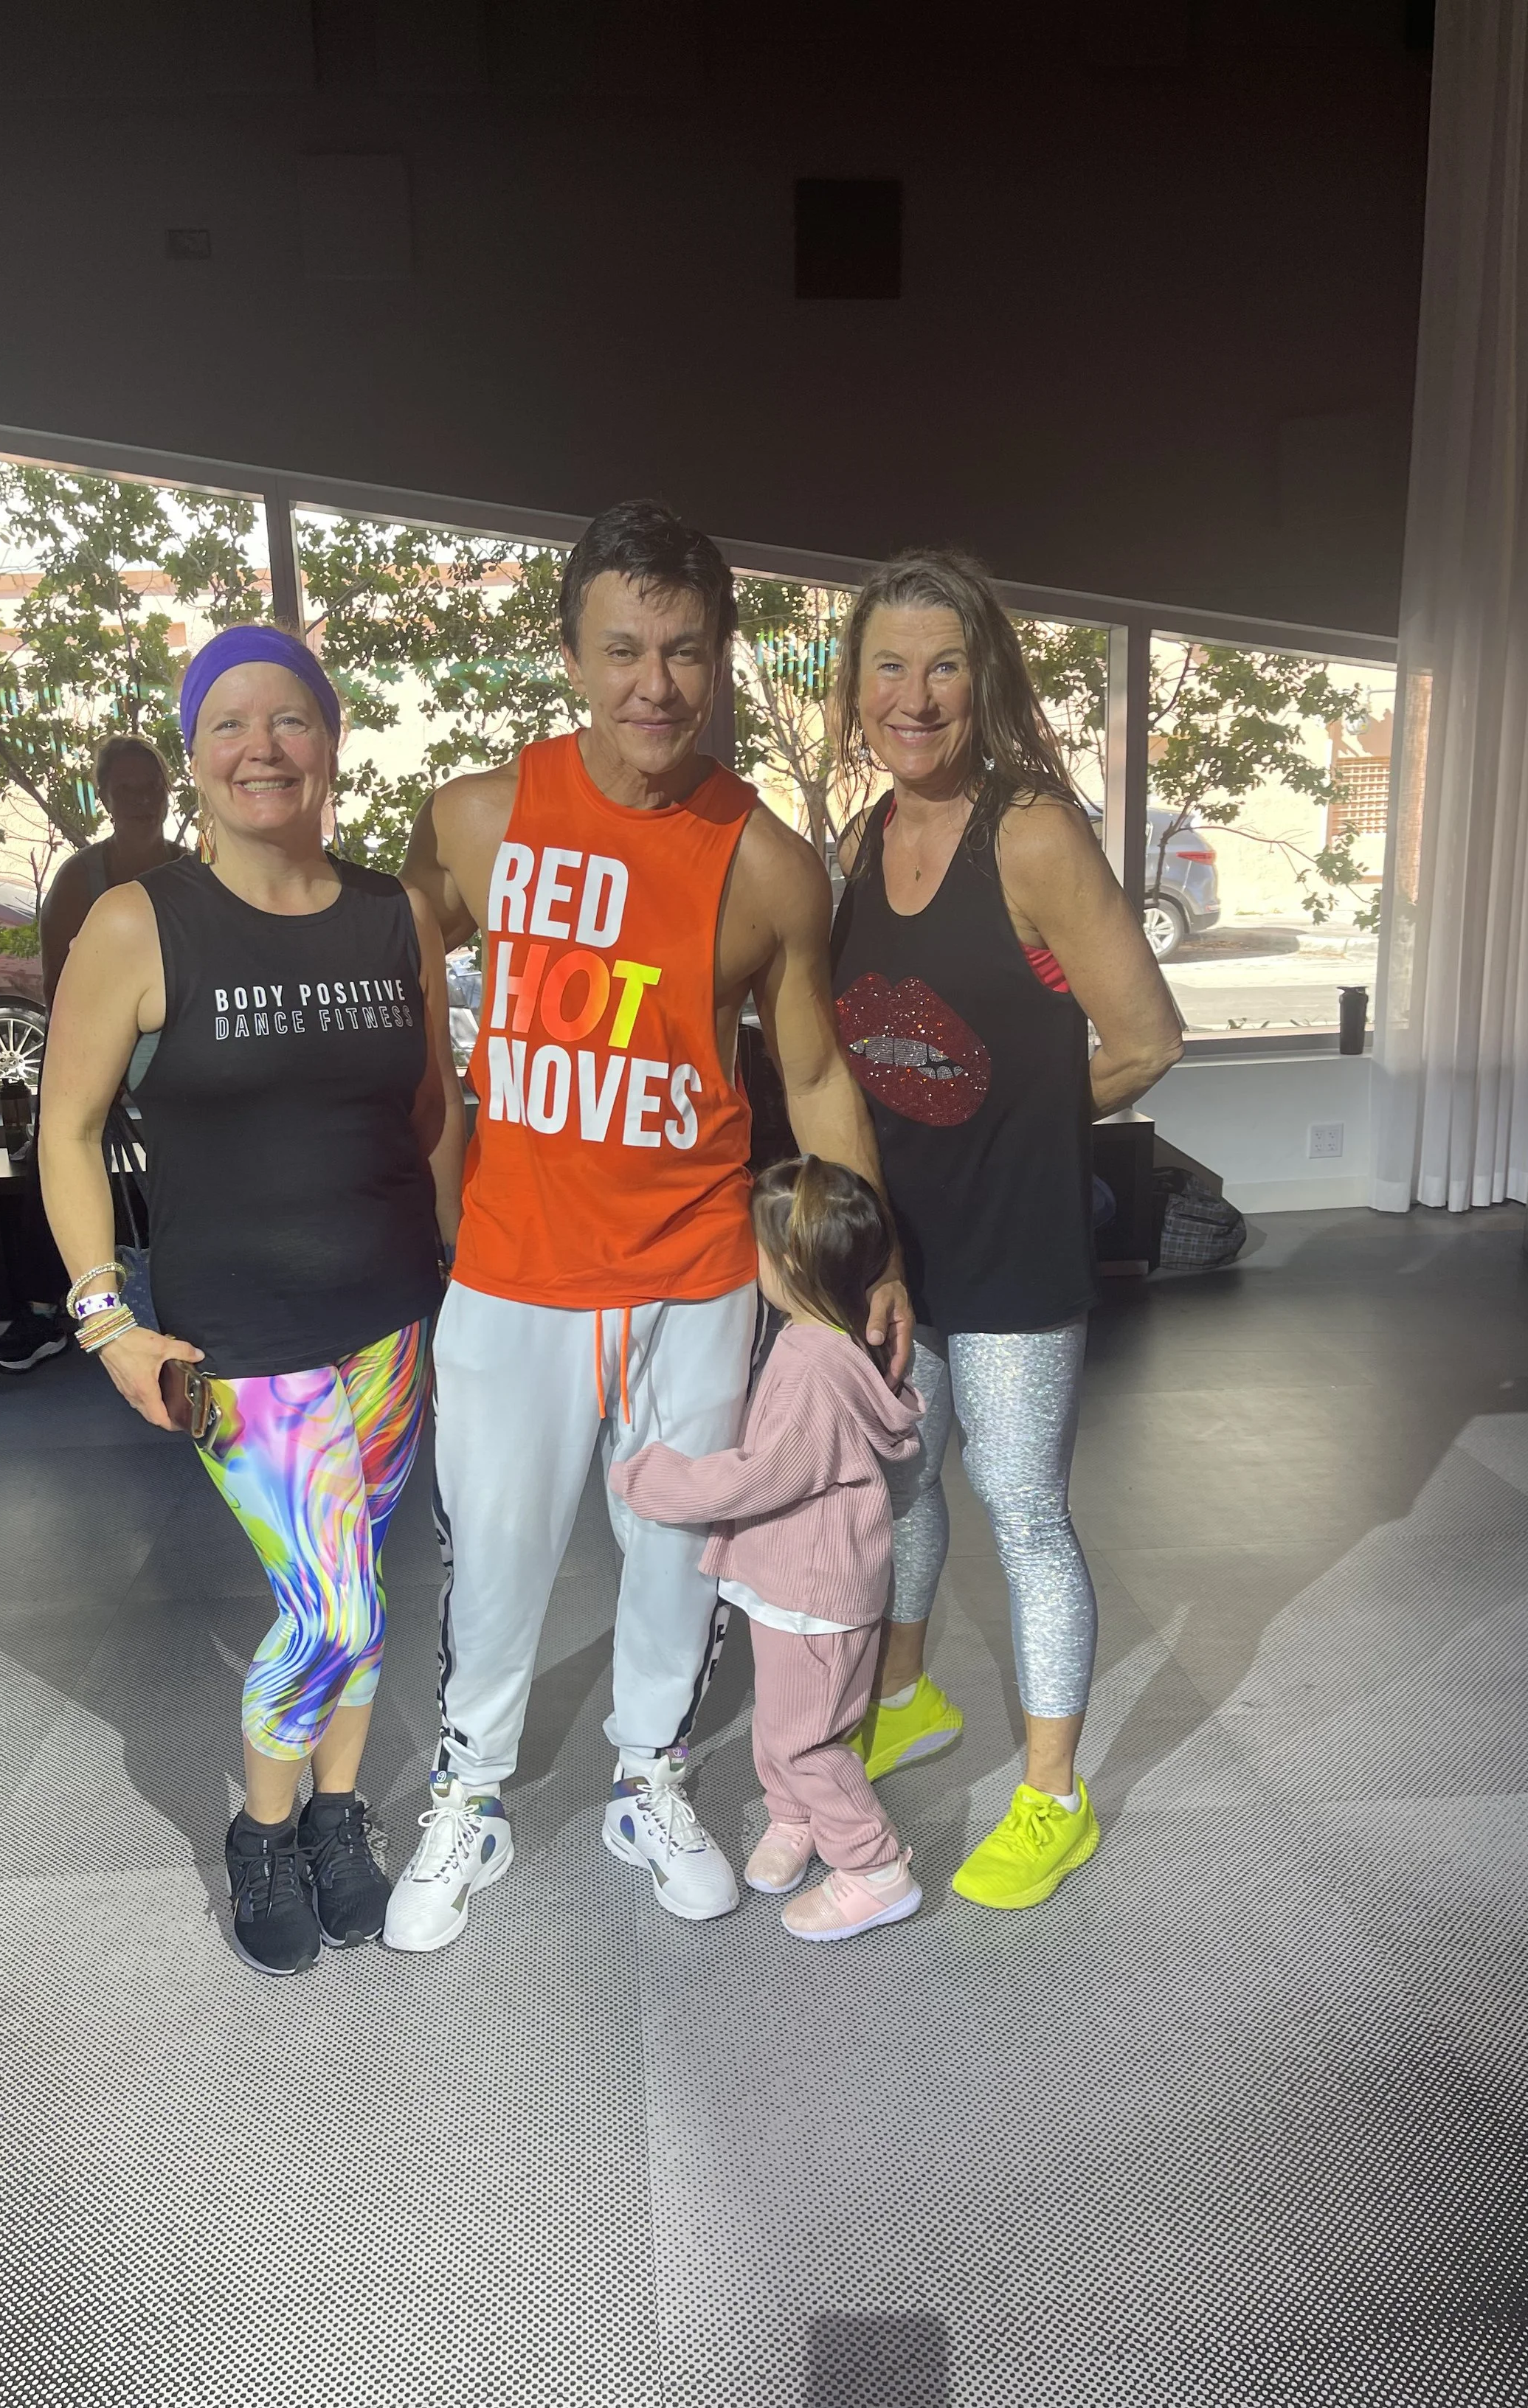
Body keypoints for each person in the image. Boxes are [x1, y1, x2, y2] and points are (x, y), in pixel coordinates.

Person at [383, 500, 912, 1954]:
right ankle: (471, 1796)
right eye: (622, 649)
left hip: (690, 1273)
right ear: (569, 654)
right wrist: (421, 1158)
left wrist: (871, 1262)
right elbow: (394, 951)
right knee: (492, 1551)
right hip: (513, 1264)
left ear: (721, 657)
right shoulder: (476, 819)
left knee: (681, 1550)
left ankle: (649, 1776)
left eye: (683, 651)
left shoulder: (767, 863)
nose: (654, 683)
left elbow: (811, 1074)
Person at [38, 626, 464, 1974]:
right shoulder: (139, 920)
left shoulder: (396, 911)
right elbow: (65, 1130)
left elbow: (432, 1105)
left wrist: (462, 1280)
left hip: (393, 1315)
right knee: (330, 1608)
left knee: (367, 1590)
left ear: (330, 744)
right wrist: (106, 1321)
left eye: (290, 721)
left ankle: (341, 1819)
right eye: (230, 724)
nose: (262, 747)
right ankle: (264, 1831)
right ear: (194, 755)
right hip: (241, 1334)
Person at [829, 547, 1182, 1909]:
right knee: (906, 1485)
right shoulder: (862, 839)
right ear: (856, 686)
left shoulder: (1030, 830)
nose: (915, 696)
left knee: (1023, 1507)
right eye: (888, 666)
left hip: (1017, 1242)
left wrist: (1015, 1124)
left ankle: (1055, 1795)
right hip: (898, 1242)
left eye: (945, 666)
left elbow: (1148, 1039)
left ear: (989, 679)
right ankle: (906, 1694)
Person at [610, 1157, 924, 1942]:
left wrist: (654, 1478)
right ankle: (796, 1819)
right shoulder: (825, 1336)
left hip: (813, 1591)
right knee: (789, 1717)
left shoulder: (811, 1363)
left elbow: (762, 1477)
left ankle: (874, 1868)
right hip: (800, 1581)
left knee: (806, 1735)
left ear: (785, 1263)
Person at [0, 736, 183, 1374]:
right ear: (105, 798)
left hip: (177, 1043)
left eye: (151, 786)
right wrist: (113, 1069)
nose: (142, 800)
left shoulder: (195, 871)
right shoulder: (80, 880)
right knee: (59, 1142)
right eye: (127, 790)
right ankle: (47, 1311)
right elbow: (59, 992)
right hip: (101, 1043)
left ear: (168, 789)